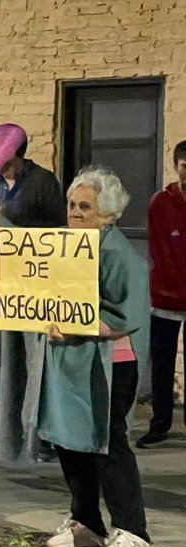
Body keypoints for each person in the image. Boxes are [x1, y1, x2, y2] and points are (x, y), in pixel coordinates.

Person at [36, 168, 151, 547]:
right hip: (70, 359)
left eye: (86, 206)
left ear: (108, 213)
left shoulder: (118, 253)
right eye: (72, 204)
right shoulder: (63, 247)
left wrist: (73, 328)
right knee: (71, 440)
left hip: (109, 362)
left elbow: (127, 313)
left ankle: (133, 531)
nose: (75, 212)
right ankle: (86, 522)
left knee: (108, 442)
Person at [0, 123, 66, 460]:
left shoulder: (42, 182)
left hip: (30, 284)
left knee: (32, 359)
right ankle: (4, 431)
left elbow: (58, 231)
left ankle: (40, 435)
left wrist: (8, 226)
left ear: (13, 149)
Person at [137, 140, 186, 448]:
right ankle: (160, 424)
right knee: (163, 364)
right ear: (176, 166)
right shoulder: (160, 202)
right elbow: (159, 249)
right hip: (167, 296)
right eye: (185, 167)